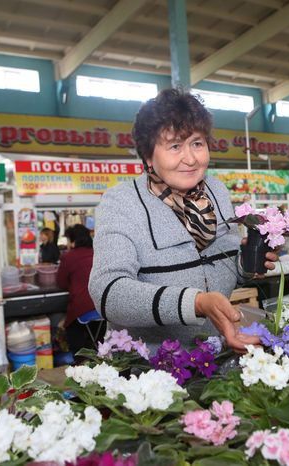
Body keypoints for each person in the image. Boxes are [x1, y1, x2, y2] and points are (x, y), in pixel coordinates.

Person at [88, 88, 275, 351]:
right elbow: (109, 294)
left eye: (197, 143)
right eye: (175, 146)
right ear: (148, 155)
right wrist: (195, 303)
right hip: (150, 369)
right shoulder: (122, 202)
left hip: (215, 354)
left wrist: (246, 264)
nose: (190, 158)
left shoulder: (216, 192)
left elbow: (217, 270)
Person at [57, 224, 99, 354]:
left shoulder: (68, 257)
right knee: (98, 331)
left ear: (73, 241)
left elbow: (61, 283)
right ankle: (98, 352)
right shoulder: (98, 253)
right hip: (103, 306)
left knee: (72, 327)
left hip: (83, 307)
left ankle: (79, 359)